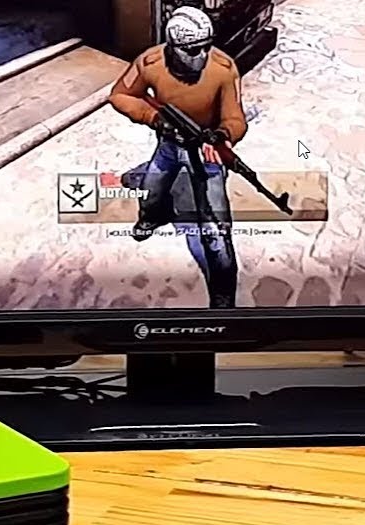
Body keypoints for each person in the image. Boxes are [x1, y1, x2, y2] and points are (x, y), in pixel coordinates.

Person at [108, 6, 248, 308]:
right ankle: (152, 217)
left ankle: (223, 290)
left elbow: (235, 116)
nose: (203, 55)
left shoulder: (224, 68)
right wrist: (153, 117)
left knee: (216, 228)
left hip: (207, 153)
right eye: (194, 49)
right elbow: (120, 95)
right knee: (151, 191)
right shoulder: (150, 62)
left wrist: (223, 135)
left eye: (207, 46)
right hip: (169, 146)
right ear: (174, 46)